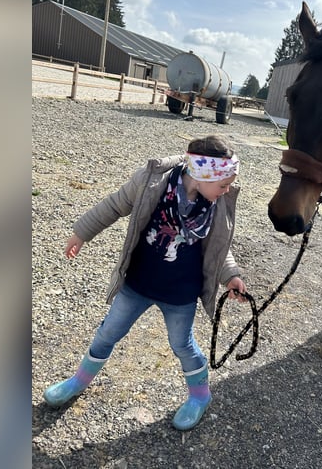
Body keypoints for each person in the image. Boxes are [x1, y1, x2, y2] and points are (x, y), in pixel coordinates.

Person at [43, 134, 247, 431]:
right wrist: (82, 232)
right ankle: (78, 381)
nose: (228, 190)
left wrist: (231, 276)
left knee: (182, 344)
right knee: (108, 332)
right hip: (137, 284)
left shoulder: (215, 204)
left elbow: (218, 248)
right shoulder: (152, 181)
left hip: (181, 294)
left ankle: (200, 396)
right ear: (203, 175)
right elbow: (115, 204)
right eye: (223, 184)